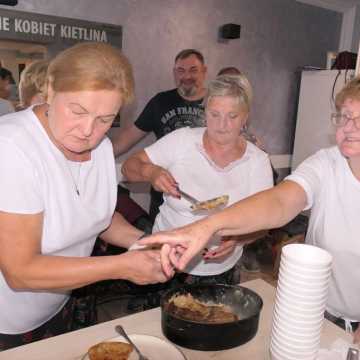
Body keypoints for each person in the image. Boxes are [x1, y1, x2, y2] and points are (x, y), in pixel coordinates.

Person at [140, 76, 360, 344]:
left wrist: (225, 234)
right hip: (318, 309)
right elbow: (278, 202)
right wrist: (207, 226)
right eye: (345, 116)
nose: (350, 128)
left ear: (244, 118)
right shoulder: (326, 164)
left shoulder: (256, 159)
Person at [0, 42, 168, 351]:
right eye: (78, 111)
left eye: (105, 119)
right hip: (6, 321)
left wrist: (148, 242)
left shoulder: (101, 148)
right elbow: (20, 271)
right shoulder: (12, 146)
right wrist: (123, 266)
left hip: (57, 302)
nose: (88, 130)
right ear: (50, 89)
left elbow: (99, 219)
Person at [122, 74, 273, 288]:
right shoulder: (182, 140)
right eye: (215, 114)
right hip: (165, 259)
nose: (222, 125)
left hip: (221, 269)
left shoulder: (257, 161)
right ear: (205, 111)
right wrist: (151, 172)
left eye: (232, 116)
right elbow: (129, 167)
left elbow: (264, 221)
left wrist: (238, 240)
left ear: (245, 117)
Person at [112, 49, 207, 222]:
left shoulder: (216, 103)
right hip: (163, 196)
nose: (187, 76)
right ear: (174, 73)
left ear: (204, 71)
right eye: (181, 70)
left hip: (205, 196)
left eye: (193, 70)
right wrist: (91, 154)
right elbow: (126, 139)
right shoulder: (160, 102)